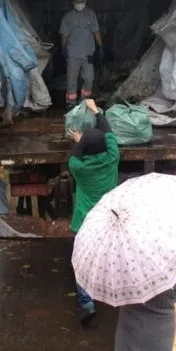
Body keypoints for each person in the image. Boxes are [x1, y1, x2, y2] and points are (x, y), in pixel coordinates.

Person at [68, 99, 120, 325]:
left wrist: (79, 141)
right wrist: (96, 111)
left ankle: (87, 302)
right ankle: (112, 291)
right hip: (109, 221)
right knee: (108, 257)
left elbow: (75, 155)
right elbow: (108, 134)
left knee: (82, 261)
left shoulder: (79, 168)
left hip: (85, 224)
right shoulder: (112, 158)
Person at [60, 0, 103, 109]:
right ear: (73, 3)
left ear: (85, 2)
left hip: (88, 52)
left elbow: (96, 30)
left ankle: (84, 100)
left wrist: (100, 45)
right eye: (77, 2)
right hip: (73, 53)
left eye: (81, 2)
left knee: (89, 78)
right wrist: (63, 47)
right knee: (71, 78)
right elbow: (64, 34)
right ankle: (71, 102)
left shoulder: (91, 14)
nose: (79, 4)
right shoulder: (68, 17)